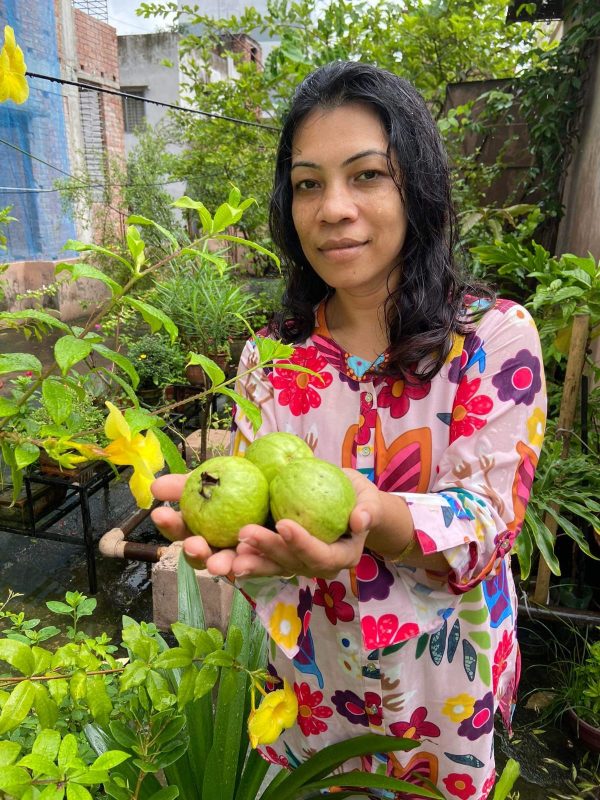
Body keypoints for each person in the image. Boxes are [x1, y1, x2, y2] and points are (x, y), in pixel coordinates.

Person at [151, 61, 546, 800]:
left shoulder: (493, 339)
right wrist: (246, 545)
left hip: (443, 692)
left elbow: (489, 519)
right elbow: (262, 512)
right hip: (311, 689)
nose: (333, 208)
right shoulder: (272, 358)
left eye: (366, 175)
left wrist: (375, 514)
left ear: (417, 186)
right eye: (308, 183)